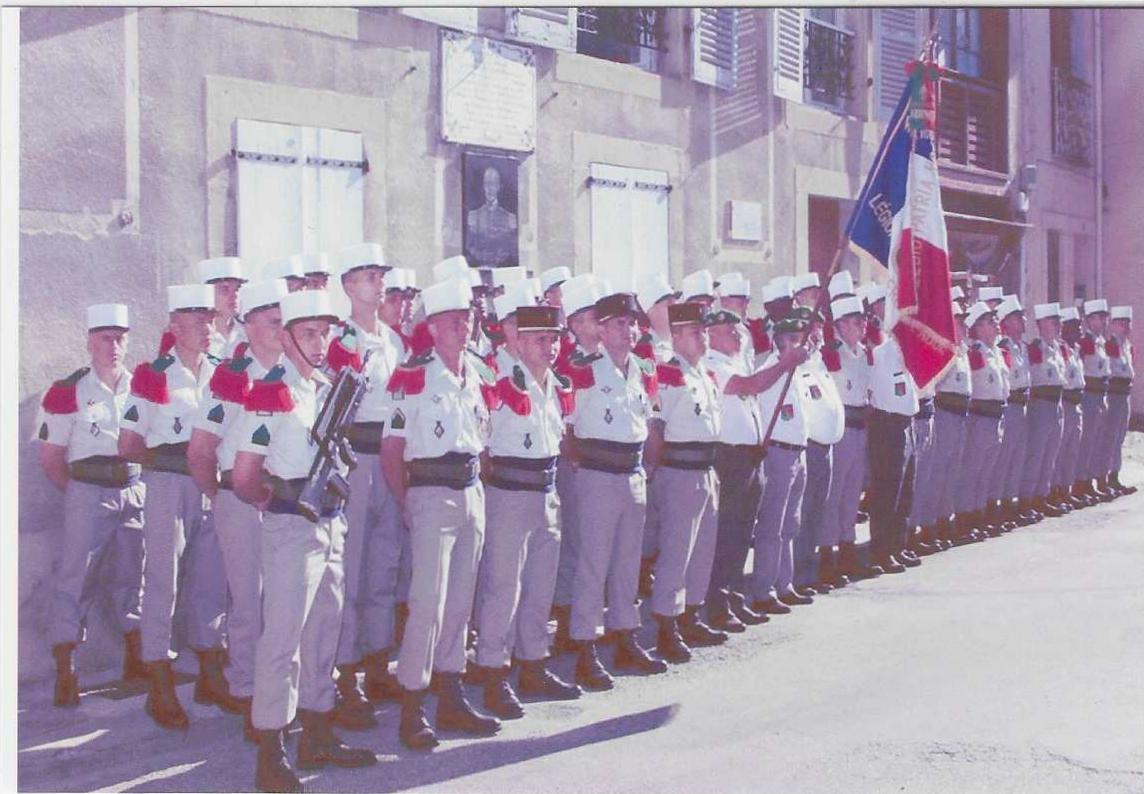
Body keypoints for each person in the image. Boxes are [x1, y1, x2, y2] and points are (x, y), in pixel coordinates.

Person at [232, 289, 377, 793]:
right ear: (287, 336)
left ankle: (318, 729)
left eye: (326, 333)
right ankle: (271, 747)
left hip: (331, 520)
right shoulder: (272, 392)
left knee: (324, 633)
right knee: (284, 641)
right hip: (293, 523)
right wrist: (272, 501)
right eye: (310, 333)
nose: (321, 343)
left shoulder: (328, 387)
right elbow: (244, 474)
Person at [381, 277, 502, 751]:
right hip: (429, 491)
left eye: (467, 318)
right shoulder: (411, 375)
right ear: (430, 327)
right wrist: (407, 502)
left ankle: (451, 696)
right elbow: (393, 450)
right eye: (451, 320)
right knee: (426, 604)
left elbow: (484, 440)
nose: (461, 326)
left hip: (471, 489)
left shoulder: (477, 373)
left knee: (460, 603)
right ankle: (413, 705)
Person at [118, 284, 236, 729]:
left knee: (212, 580)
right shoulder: (153, 375)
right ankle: (160, 683)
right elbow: (128, 444)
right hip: (169, 483)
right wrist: (178, 460)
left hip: (214, 484)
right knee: (162, 581)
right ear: (174, 325)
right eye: (197, 319)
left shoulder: (223, 373)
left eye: (210, 318)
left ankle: (210, 674)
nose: (208, 326)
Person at [187, 279, 287, 740]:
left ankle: (279, 697)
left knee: (283, 603)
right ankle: (247, 693)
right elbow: (200, 450)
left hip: (286, 501)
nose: (282, 329)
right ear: (248, 325)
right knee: (249, 604)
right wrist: (222, 496)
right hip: (239, 500)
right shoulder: (232, 377)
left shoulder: (292, 373)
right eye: (273, 321)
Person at [472, 305, 582, 718]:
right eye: (540, 339)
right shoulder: (497, 382)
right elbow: (481, 445)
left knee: (541, 584)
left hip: (546, 489)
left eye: (554, 339)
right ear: (516, 341)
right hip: (509, 491)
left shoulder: (556, 384)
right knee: (504, 588)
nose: (550, 347)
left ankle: (534, 663)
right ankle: (492, 672)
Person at [37, 303, 146, 708]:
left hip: (134, 492)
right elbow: (50, 458)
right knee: (75, 580)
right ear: (89, 342)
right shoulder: (71, 390)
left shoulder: (141, 388)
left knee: (133, 576)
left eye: (120, 339)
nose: (113, 346)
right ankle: (66, 670)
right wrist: (82, 496)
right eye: (105, 338)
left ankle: (136, 661)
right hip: (88, 492)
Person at [565, 291, 667, 690]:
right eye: (620, 324)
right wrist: (578, 462)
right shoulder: (584, 370)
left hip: (633, 472)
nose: (629, 330)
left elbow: (652, 419)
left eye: (633, 323)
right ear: (602, 330)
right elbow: (566, 426)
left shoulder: (643, 368)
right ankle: (585, 647)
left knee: (628, 563)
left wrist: (649, 465)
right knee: (594, 564)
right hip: (597, 473)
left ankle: (626, 637)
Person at [323, 242, 403, 727]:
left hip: (390, 455)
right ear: (349, 286)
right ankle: (346, 673)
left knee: (385, 564)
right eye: (370, 276)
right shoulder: (341, 341)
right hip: (354, 456)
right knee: (350, 570)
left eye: (381, 275)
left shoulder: (396, 343)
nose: (380, 284)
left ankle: (377, 662)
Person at [702, 309, 802, 631]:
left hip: (750, 457)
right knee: (727, 533)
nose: (736, 335)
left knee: (743, 533)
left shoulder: (734, 361)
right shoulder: (712, 363)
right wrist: (784, 363)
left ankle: (733, 597)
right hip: (728, 458)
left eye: (737, 330)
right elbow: (750, 386)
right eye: (728, 330)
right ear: (711, 334)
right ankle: (716, 603)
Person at [645, 302, 725, 664]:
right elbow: (657, 430)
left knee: (701, 549)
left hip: (707, 468)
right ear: (676, 335)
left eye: (704, 331)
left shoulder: (704, 375)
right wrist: (656, 471)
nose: (703, 337)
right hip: (679, 469)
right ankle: (666, 626)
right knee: (676, 551)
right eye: (695, 331)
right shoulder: (669, 374)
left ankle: (691, 615)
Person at [550, 274, 606, 652]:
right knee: (576, 542)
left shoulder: (613, 360)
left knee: (593, 545)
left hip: (602, 463)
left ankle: (586, 617)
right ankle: (569, 617)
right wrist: (573, 458)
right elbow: (565, 423)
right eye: (592, 319)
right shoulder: (569, 365)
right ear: (575, 324)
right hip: (576, 463)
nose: (599, 326)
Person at [752, 315, 814, 613]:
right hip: (777, 453)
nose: (803, 346)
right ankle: (763, 589)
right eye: (797, 340)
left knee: (790, 523)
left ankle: (784, 583)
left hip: (798, 451)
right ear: (783, 342)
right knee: (772, 526)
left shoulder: (798, 372)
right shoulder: (772, 371)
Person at [819, 295, 882, 581]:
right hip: (842, 427)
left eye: (864, 320)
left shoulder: (864, 353)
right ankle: (827, 556)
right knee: (836, 493)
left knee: (852, 494)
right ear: (841, 325)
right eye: (857, 321)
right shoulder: (832, 353)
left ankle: (847, 550)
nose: (863, 325)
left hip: (861, 426)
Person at [865, 291, 922, 573]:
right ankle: (881, 551)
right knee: (887, 491)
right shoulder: (881, 354)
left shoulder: (908, 353)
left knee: (905, 492)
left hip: (907, 425)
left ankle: (898, 545)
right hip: (887, 426)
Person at [792, 307, 847, 594]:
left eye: (819, 330)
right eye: (812, 331)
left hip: (827, 447)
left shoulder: (819, 363)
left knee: (817, 512)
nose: (818, 336)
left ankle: (808, 571)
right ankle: (797, 575)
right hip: (809, 447)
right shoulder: (798, 365)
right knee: (803, 514)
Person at [956, 302, 1009, 540]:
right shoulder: (974, 353)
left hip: (997, 415)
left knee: (987, 470)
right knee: (973, 471)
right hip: (980, 418)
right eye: (990, 321)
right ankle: (965, 520)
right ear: (977, 328)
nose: (997, 324)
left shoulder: (997, 352)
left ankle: (979, 516)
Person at [931, 302, 982, 547]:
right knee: (940, 471)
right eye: (957, 321)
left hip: (962, 414)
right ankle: (930, 526)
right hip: (945, 413)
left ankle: (946, 520)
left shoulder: (963, 350)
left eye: (963, 321)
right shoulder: (942, 348)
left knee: (954, 471)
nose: (962, 326)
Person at [994, 296, 1038, 527]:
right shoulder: (1003, 347)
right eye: (1018, 317)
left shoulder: (1022, 347)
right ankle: (997, 507)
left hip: (1023, 405)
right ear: (1007, 322)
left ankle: (1012, 505)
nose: (1023, 321)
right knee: (1006, 458)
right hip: (1010, 405)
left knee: (1018, 457)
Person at [1023, 302, 1070, 516]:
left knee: (1051, 453)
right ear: (1041, 324)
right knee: (1037, 453)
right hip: (1041, 403)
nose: (1058, 325)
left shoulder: (1059, 348)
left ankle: (1042, 496)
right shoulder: (1035, 348)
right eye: (1054, 321)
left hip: (1057, 403)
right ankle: (1028, 499)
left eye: (1059, 321)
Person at [1078, 299, 1115, 501]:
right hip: (1090, 394)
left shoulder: (1102, 342)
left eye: (1103, 317)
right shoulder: (1087, 342)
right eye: (1098, 318)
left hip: (1102, 393)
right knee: (1088, 441)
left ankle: (1090, 480)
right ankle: (1081, 483)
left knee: (1097, 440)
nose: (1102, 321)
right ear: (1089, 321)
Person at [1057, 307, 1092, 508]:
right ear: (1065, 329)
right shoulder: (1060, 350)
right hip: (1065, 402)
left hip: (1077, 402)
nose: (1080, 330)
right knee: (1061, 452)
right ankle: (1055, 492)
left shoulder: (1076, 350)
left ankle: (1066, 490)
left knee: (1072, 450)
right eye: (1075, 326)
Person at [1103, 306, 1136, 495]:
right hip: (1114, 394)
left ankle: (1115, 475)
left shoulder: (1127, 346)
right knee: (1110, 437)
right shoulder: (1110, 345)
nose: (1126, 327)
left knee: (1120, 437)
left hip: (1125, 394)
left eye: (1128, 324)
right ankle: (1106, 477)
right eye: (1121, 324)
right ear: (1113, 325)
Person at [466, 165, 518, 267]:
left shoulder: (510, 218)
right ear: (483, 187)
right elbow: (470, 246)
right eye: (487, 184)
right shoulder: (473, 216)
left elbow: (512, 248)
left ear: (499, 186)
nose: (490, 188)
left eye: (493, 184)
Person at [199, 257, 248, 359]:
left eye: (237, 289)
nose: (234, 295)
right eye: (225, 289)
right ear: (206, 292)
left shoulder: (248, 332)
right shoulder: (196, 335)